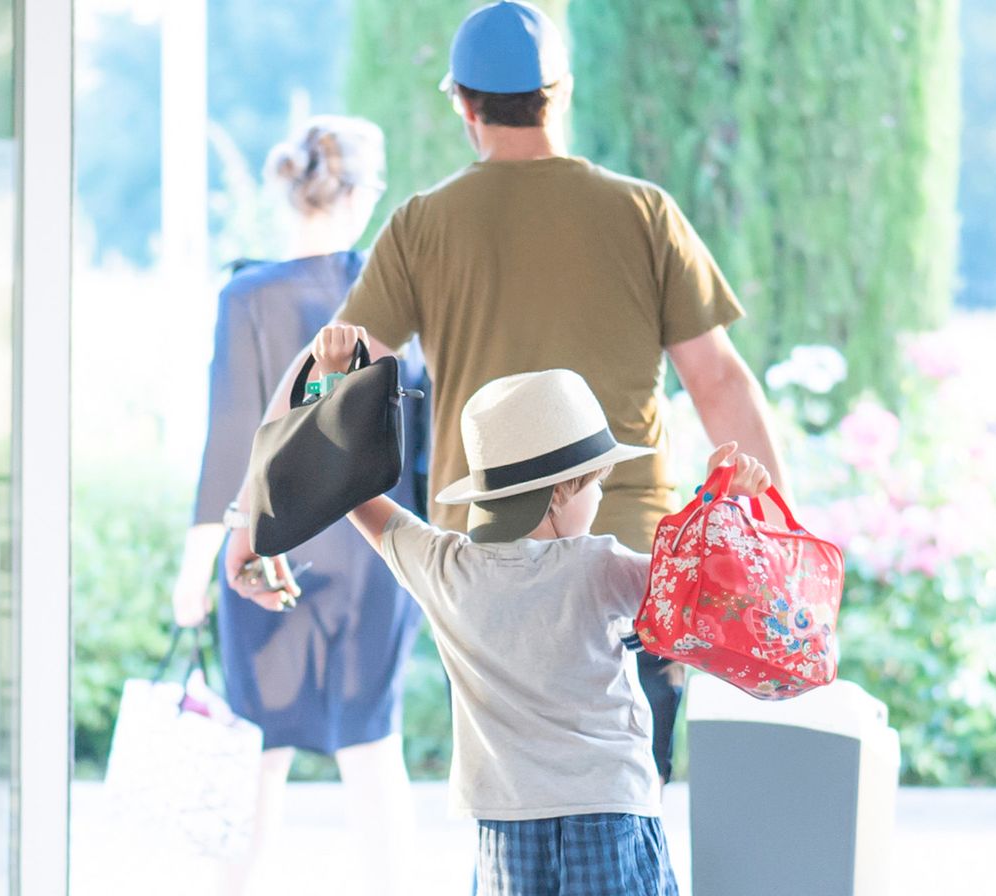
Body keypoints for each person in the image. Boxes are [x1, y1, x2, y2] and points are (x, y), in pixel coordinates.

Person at [224, 0, 785, 793]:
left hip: (488, 575)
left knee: (506, 801)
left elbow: (327, 374)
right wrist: (774, 541)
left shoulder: (424, 225)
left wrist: (254, 521)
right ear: (559, 91)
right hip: (630, 557)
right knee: (631, 797)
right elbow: (721, 382)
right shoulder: (643, 213)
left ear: (464, 104)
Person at [312, 323, 776, 896]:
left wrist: (332, 383)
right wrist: (729, 501)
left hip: (510, 822)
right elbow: (699, 598)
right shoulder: (602, 566)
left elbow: (353, 494)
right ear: (562, 491)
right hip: (611, 812)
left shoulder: (444, 569)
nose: (597, 499)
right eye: (594, 484)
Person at [168, 116, 426, 896]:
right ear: (364, 194)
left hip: (268, 550)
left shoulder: (246, 298)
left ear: (289, 189)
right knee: (373, 747)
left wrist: (195, 568)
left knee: (260, 752)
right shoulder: (399, 299)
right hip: (379, 549)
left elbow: (231, 440)